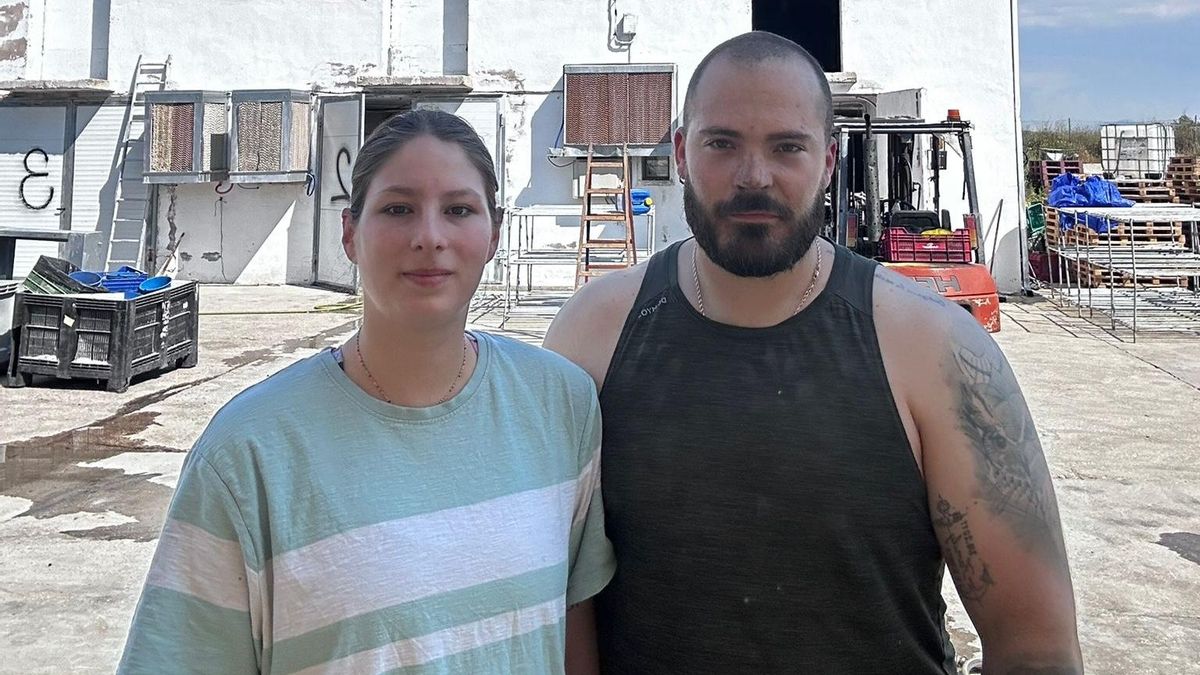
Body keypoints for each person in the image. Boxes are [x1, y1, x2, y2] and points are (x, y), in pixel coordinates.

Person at [544, 31, 1082, 674]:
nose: (753, 177)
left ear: (828, 161)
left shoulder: (932, 348)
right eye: (722, 143)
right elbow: (551, 603)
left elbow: (1035, 646)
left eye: (786, 147)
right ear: (682, 153)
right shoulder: (592, 336)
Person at [119, 109, 615, 674]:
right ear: (350, 234)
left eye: (458, 210)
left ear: (494, 234)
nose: (429, 237)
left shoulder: (560, 406)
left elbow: (572, 627)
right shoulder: (248, 453)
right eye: (398, 209)